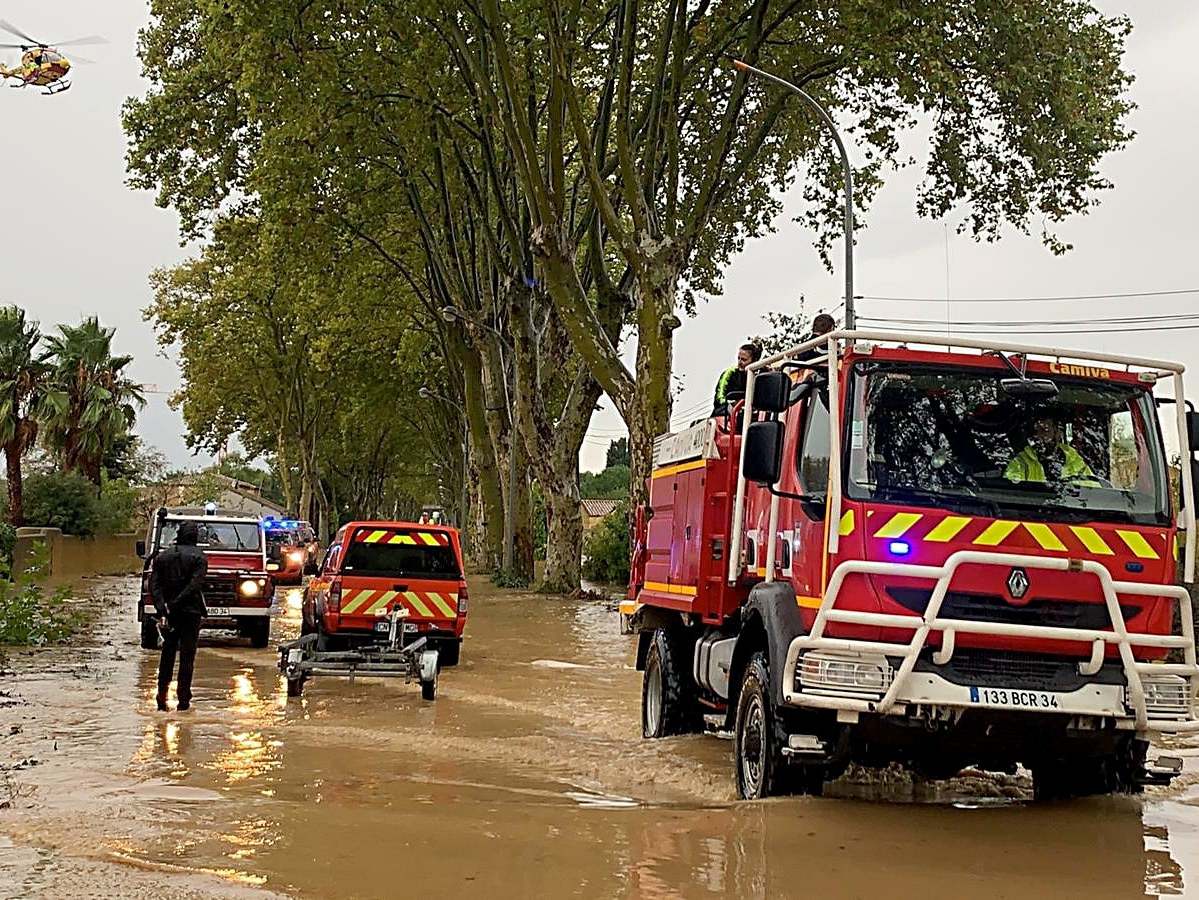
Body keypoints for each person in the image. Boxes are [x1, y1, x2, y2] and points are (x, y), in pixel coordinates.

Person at [151, 521, 209, 711]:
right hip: (190, 612)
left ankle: (162, 694)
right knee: (187, 656)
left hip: (170, 613)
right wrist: (175, 603)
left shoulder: (162, 557)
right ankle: (183, 699)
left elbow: (154, 585)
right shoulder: (199, 558)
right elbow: (195, 585)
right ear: (195, 537)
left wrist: (162, 607)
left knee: (167, 652)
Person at [1004, 412, 1097, 484]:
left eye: (1045, 430)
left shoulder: (1075, 461)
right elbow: (1009, 494)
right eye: (1036, 431)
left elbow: (1093, 491)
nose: (1039, 435)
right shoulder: (1020, 463)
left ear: (1057, 433)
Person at [712, 342, 762, 417]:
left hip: (749, 412)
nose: (740, 362)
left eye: (744, 360)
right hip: (726, 411)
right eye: (739, 358)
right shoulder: (729, 373)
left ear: (754, 361)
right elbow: (718, 398)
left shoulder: (759, 376)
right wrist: (732, 405)